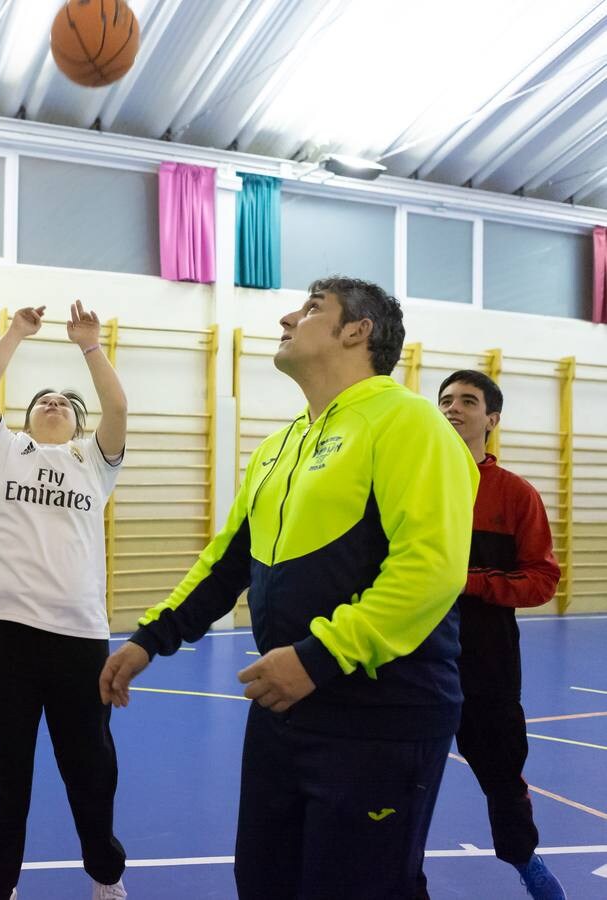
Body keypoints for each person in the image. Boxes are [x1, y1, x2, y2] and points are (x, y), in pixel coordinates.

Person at [100, 277, 479, 900]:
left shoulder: (410, 422)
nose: (286, 316)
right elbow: (228, 561)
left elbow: (431, 568)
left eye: (310, 309)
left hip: (380, 715)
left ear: (358, 331)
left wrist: (319, 657)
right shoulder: (280, 445)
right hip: (285, 707)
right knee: (264, 881)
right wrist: (151, 639)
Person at [0, 301, 128, 900]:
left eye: (63, 403)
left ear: (78, 423)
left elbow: (117, 407)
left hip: (79, 639)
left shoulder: (93, 462)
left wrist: (90, 345)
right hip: (6, 634)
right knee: (1, 770)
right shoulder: (0, 452)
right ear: (26, 419)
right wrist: (17, 331)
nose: (53, 405)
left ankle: (106, 876)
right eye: (41, 402)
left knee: (91, 770)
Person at [434, 370, 566, 900]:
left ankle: (524, 859)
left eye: (468, 400)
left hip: (486, 661)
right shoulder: (407, 485)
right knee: (394, 773)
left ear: (491, 419)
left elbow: (542, 579)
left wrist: (468, 583)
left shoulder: (515, 494)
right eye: (445, 399)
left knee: (503, 773)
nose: (453, 408)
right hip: (411, 657)